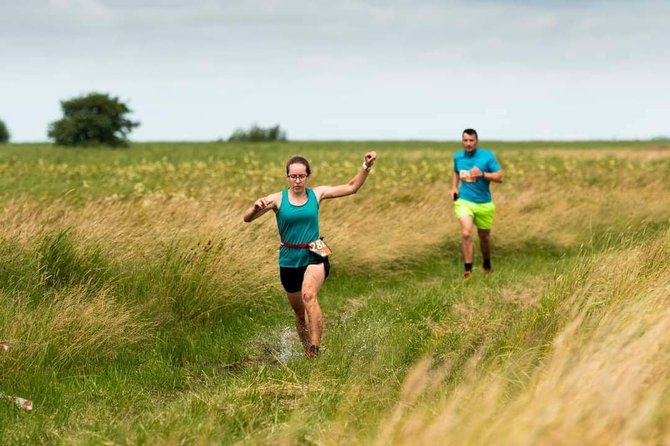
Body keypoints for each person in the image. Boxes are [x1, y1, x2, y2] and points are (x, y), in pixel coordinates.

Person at [243, 151, 378, 357]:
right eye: (293, 176)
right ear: (287, 177)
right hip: (288, 256)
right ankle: (308, 352)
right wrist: (254, 208)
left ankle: (315, 348)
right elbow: (247, 219)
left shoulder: (317, 194)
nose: (297, 180)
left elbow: (351, 187)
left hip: (316, 250)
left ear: (308, 176)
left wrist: (366, 166)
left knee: (308, 294)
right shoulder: (277, 199)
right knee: (299, 313)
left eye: (301, 176)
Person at [451, 129, 503, 278]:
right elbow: (455, 171)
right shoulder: (458, 157)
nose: (468, 144)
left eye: (471, 140)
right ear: (462, 141)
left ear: (476, 141)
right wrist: (454, 187)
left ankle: (487, 264)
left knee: (484, 237)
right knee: (466, 233)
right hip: (464, 200)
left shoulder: (486, 156)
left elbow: (500, 177)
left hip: (484, 203)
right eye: (465, 140)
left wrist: (483, 174)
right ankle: (468, 271)